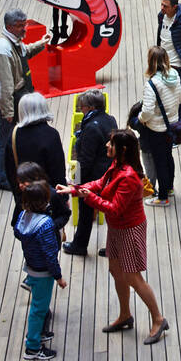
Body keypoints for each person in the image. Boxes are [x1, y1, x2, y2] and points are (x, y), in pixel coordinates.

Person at [63, 130, 169, 344]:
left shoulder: (128, 177)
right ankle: (125, 315)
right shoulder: (116, 167)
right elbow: (100, 183)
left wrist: (88, 197)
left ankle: (158, 319)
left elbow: (114, 209)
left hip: (129, 229)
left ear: (121, 150)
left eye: (110, 144)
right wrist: (74, 190)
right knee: (116, 270)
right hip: (118, 229)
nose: (106, 146)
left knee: (133, 277)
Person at [0, 9, 49, 191]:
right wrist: (8, 112)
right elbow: (4, 85)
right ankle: (1, 178)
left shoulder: (14, 42)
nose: (25, 28)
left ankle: (14, 171)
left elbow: (25, 53)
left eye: (25, 24)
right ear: (9, 26)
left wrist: (41, 43)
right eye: (20, 26)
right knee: (5, 139)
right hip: (11, 101)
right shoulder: (2, 49)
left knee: (14, 138)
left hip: (19, 97)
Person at [13, 182, 66, 361]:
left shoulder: (22, 217)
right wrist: (58, 277)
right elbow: (50, 255)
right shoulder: (46, 225)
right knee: (39, 308)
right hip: (44, 274)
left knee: (38, 304)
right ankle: (33, 346)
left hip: (32, 267)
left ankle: (39, 335)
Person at [63, 90, 117, 256]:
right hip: (109, 172)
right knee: (111, 214)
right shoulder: (110, 119)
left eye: (83, 107)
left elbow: (85, 160)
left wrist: (77, 181)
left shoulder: (91, 128)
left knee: (85, 211)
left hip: (94, 176)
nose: (81, 109)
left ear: (91, 107)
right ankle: (113, 247)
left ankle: (79, 245)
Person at [4, 92, 67, 208]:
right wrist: (63, 198)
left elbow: (10, 171)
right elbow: (58, 170)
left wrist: (18, 197)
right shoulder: (51, 135)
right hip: (48, 198)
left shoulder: (13, 135)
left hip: (25, 198)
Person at [139, 46, 181, 206]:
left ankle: (162, 197)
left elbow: (148, 111)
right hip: (172, 125)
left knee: (160, 162)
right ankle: (170, 188)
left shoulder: (152, 84)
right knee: (168, 157)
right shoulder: (175, 76)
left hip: (157, 128)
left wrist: (140, 118)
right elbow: (179, 98)